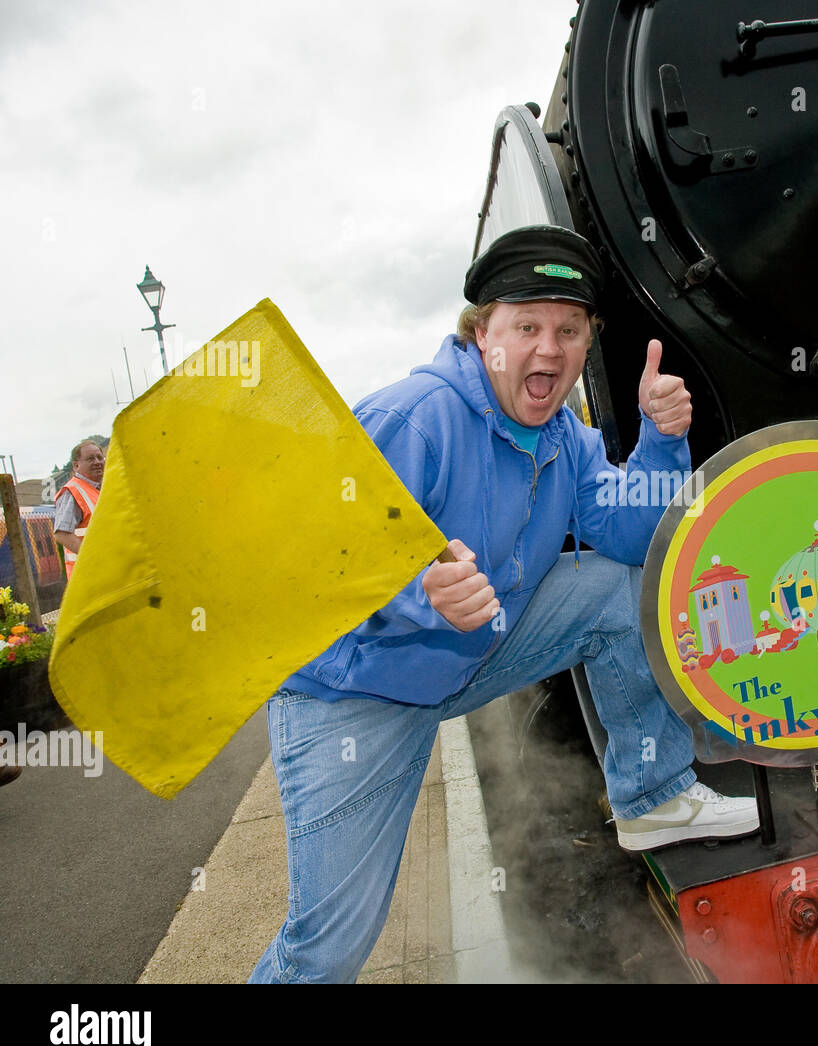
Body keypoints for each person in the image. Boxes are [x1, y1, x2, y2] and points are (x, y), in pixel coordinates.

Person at [250, 224, 758, 983]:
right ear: (481, 332)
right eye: (526, 326)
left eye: (568, 329)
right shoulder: (411, 418)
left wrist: (659, 440)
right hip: (354, 696)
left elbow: (632, 537)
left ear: (587, 346)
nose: (547, 350)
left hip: (473, 653)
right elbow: (308, 570)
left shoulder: (566, 437)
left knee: (621, 591)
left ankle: (652, 794)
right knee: (329, 948)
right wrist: (418, 595)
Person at [52, 440, 105, 578]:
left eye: (100, 457)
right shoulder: (72, 491)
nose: (97, 462)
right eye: (90, 459)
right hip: (89, 575)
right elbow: (62, 534)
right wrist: (95, 560)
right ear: (76, 465)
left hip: (104, 573)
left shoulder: (100, 490)